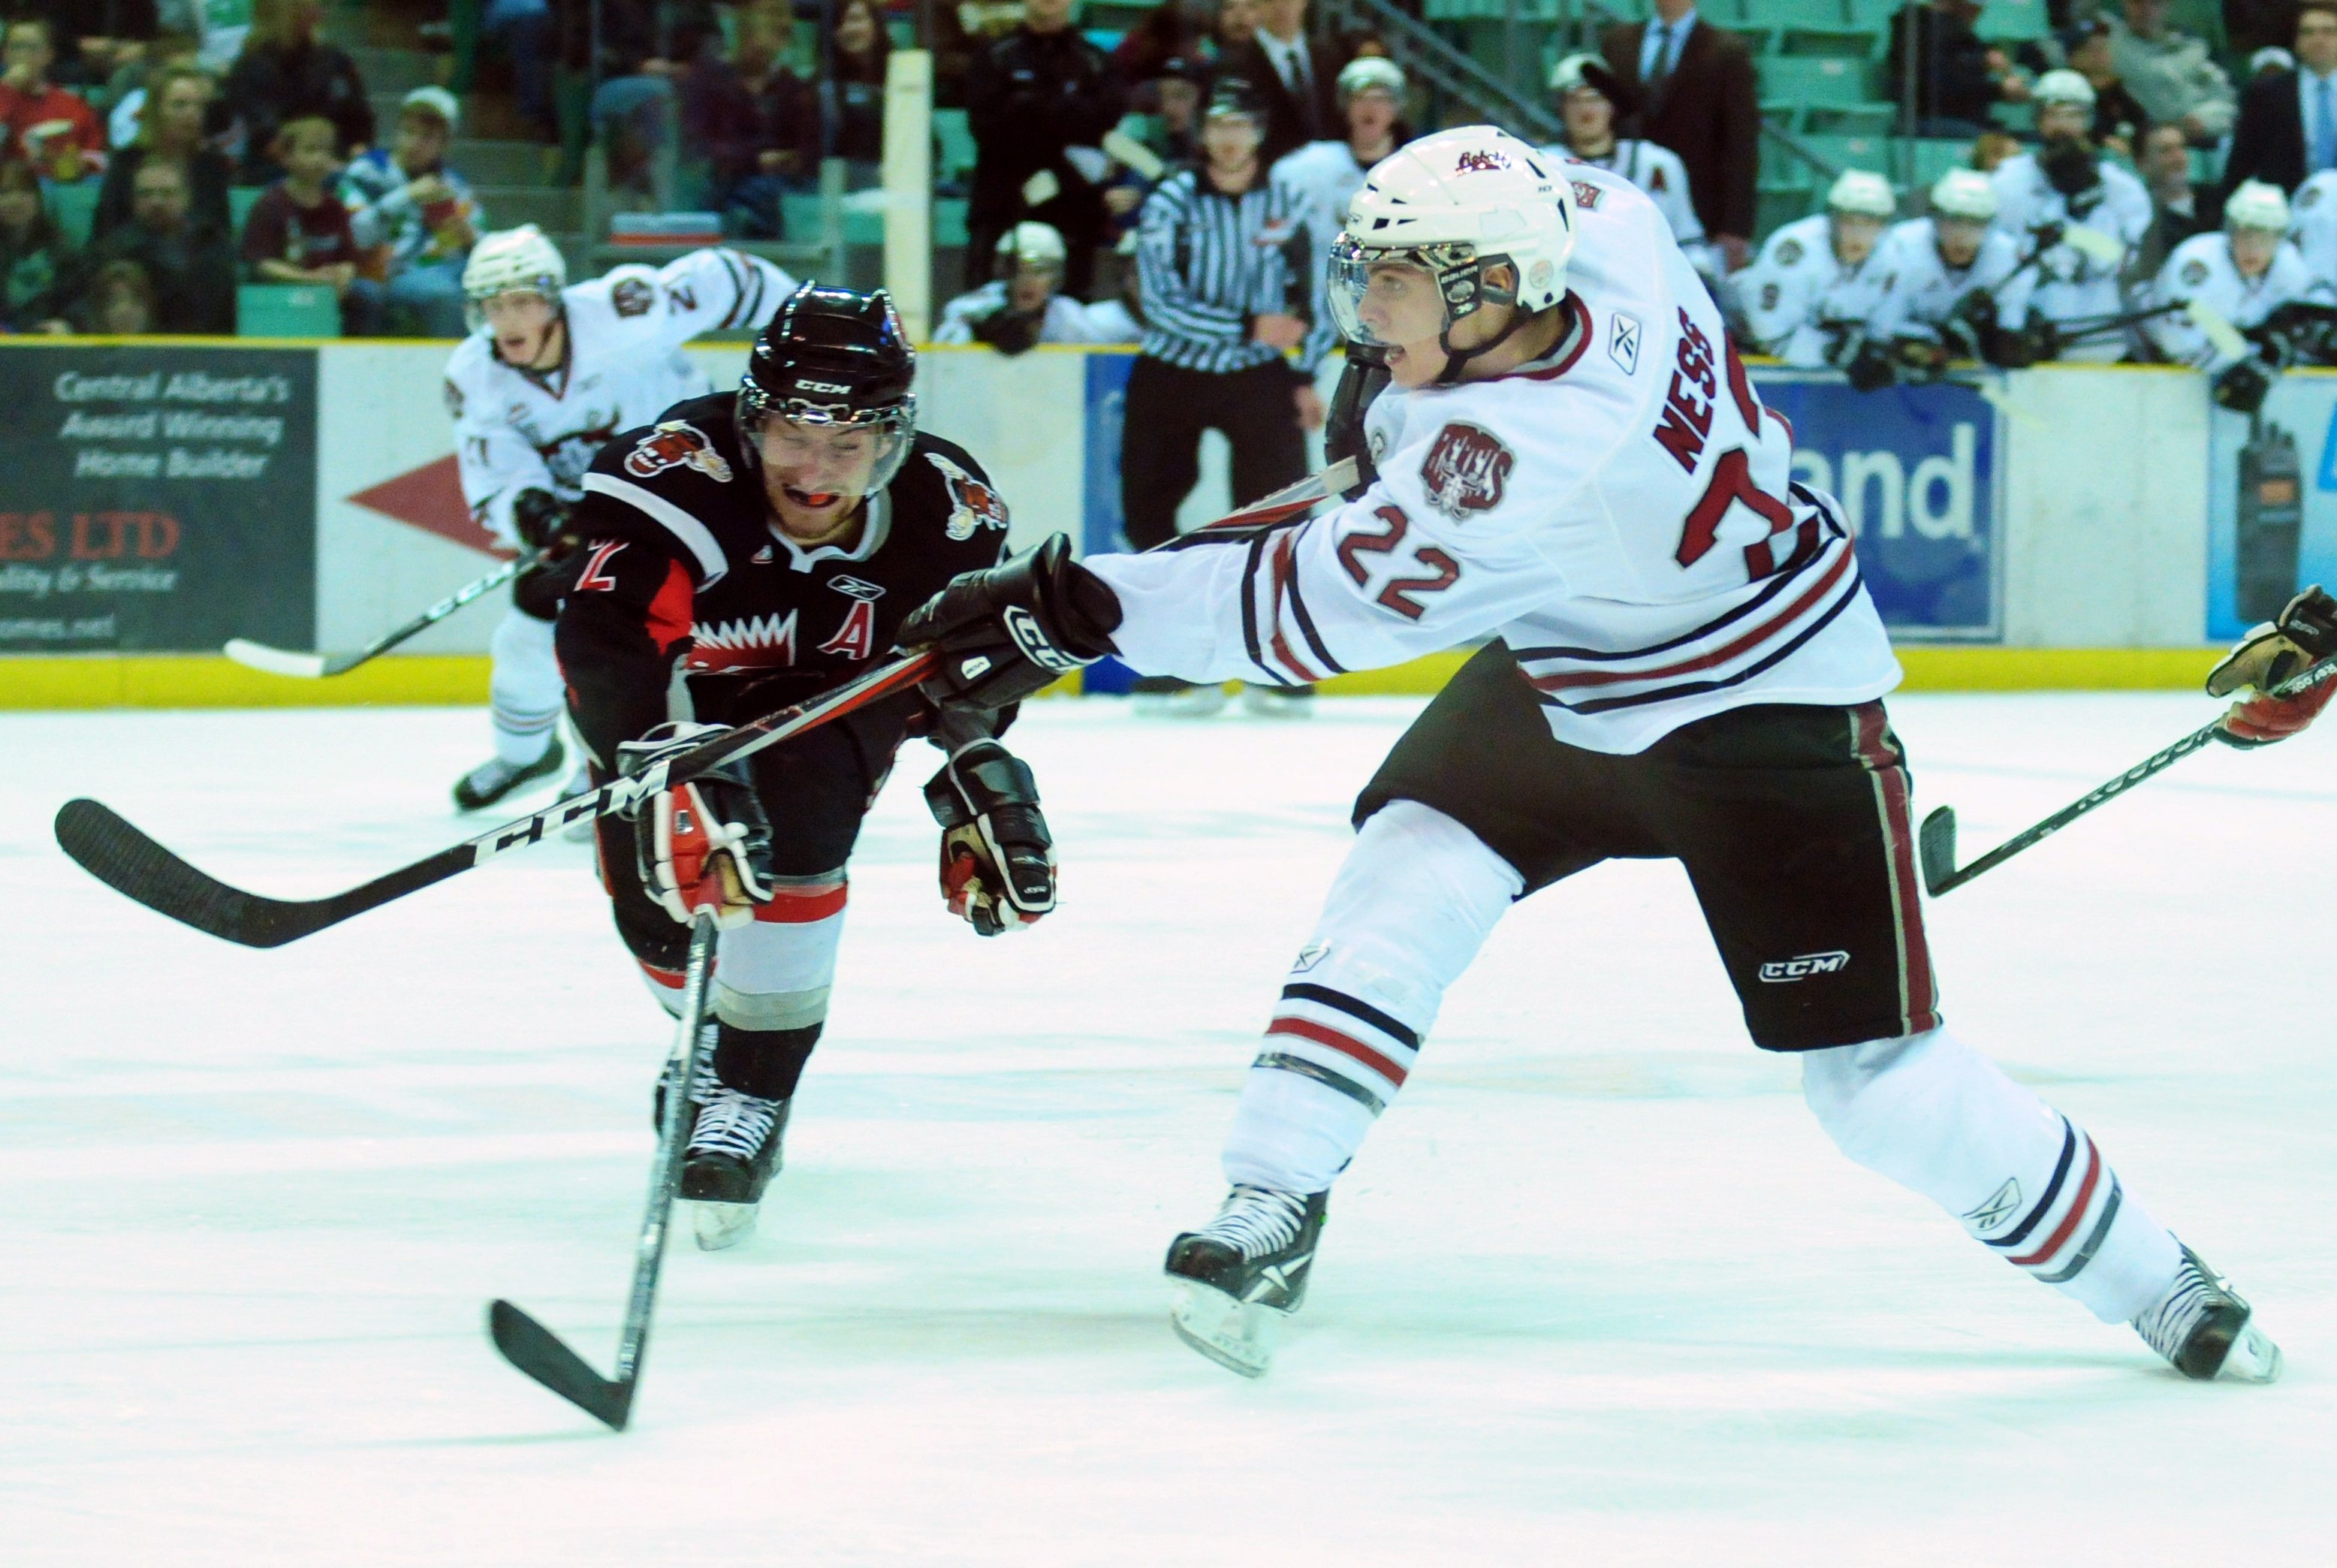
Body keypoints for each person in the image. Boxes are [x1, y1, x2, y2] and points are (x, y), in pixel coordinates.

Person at [896, 124, 2316, 1389]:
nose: (1362, 308)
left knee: (1878, 1083)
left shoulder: (1515, 456)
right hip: (1580, 662)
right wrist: (1379, 379)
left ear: (1489, 295)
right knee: (1412, 859)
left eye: (1390, 286)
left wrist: (1074, 609)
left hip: (1760, 709)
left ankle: (2158, 1278)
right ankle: (1270, 1197)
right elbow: (1511, 178)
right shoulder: (1608, 231)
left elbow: (1308, 608)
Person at [556, 284, 1052, 1248]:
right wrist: (663, 767)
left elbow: (973, 673)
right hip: (678, 715)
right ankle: (705, 1032)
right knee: (650, 895)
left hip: (834, 714)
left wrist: (976, 770)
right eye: (792, 434)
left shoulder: (945, 517)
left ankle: (751, 1090)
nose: (816, 471)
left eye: (848, 444)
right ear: (751, 420)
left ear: (892, 440)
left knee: (805, 820)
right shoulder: (678, 478)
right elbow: (605, 647)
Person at [442, 225, 798, 812]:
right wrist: (531, 513)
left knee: (665, 631)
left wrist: (804, 320)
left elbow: (724, 276)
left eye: (523, 300)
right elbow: (496, 467)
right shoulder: (472, 374)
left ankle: (611, 764)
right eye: (494, 304)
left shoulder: (621, 310)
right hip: (602, 514)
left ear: (554, 298)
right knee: (532, 621)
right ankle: (525, 755)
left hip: (699, 486)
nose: (508, 318)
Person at [1121, 77, 1330, 716]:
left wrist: (1304, 373)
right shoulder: (1172, 199)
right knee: (1149, 515)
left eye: (1241, 125)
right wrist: (1246, 325)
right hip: (1171, 372)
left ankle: (1277, 665)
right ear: (1203, 133)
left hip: (1260, 378)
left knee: (1281, 520)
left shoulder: (1291, 199)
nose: (1230, 138)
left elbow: (1320, 291)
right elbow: (1157, 302)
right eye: (1219, 125)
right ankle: (1178, 667)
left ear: (1260, 133)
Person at [1989, 69, 2152, 363]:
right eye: (2054, 114)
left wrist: (2078, 232)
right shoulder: (2006, 183)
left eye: (2074, 115)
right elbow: (1996, 256)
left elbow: (2127, 259)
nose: (2063, 126)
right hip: (2030, 321)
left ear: (2088, 121)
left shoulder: (2121, 188)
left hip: (2097, 323)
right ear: (2038, 119)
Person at [966, 0, 1124, 298]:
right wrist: (1065, 116)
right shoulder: (995, 57)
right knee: (987, 306)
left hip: (1073, 209)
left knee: (1070, 312)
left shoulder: (1096, 62)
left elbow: (1103, 124)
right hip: (1004, 205)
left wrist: (1030, 108)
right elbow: (987, 128)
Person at [1599, 0, 1757, 271]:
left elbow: (1740, 143)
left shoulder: (1728, 51)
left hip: (1699, 210)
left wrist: (1735, 227)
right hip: (1625, 198)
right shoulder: (1618, 42)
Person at [2149, 179, 2332, 399]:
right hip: (2162, 372)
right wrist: (2251, 358)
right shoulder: (2197, 263)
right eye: (2245, 232)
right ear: (2230, 229)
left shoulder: (2290, 267)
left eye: (2265, 235)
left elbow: (2312, 327)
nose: (2253, 247)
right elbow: (2177, 343)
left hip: (2241, 379)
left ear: (2280, 239)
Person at [1272, 56, 1408, 327]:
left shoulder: (1416, 172)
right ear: (1346, 107)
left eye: (1381, 98)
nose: (1370, 108)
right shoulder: (1310, 168)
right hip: (1324, 322)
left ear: (1397, 108)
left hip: (1394, 316)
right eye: (1360, 98)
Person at [1865, 167, 2039, 375]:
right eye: (1953, 220)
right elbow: (1881, 327)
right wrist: (1914, 343)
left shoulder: (2008, 257)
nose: (1962, 234)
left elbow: (2010, 329)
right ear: (1935, 217)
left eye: (1975, 223)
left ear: (1990, 225)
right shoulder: (1900, 246)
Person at [338, 86, 481, 338]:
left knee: (486, 284)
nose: (414, 143)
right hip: (388, 272)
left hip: (446, 267)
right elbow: (357, 234)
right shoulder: (368, 171)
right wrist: (407, 195)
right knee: (443, 293)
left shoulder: (454, 185)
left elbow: (481, 240)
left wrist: (470, 238)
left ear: (444, 144)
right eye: (408, 132)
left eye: (427, 137)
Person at [1542, 53, 1706, 262]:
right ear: (1560, 108)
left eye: (1595, 98)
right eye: (1575, 100)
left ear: (1612, 105)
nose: (1586, 110)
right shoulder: (1543, 166)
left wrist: (1702, 274)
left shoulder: (1658, 163)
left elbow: (1687, 239)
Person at [1735, 168, 1896, 366]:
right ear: (1833, 218)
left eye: (1870, 223)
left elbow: (1879, 331)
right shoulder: (1795, 248)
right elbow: (1770, 336)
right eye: (1849, 221)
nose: (1858, 234)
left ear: (1884, 225)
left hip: (1813, 348)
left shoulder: (1890, 254)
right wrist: (1840, 354)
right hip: (1744, 344)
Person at [240, 111, 381, 334]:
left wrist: (345, 274)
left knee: (368, 294)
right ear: (287, 157)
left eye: (326, 151)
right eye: (310, 150)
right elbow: (261, 263)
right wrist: (308, 279)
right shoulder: (270, 205)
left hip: (328, 288)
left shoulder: (335, 207)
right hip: (284, 288)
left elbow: (348, 258)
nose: (319, 159)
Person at [684, 6, 818, 240]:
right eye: (754, 42)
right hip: (725, 183)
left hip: (780, 184)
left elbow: (807, 145)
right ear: (741, 37)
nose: (761, 52)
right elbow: (702, 147)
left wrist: (791, 160)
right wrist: (755, 161)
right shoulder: (711, 82)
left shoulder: (791, 87)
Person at [222, 0, 372, 180]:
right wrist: (320, 165)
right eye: (309, 5)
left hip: (336, 162)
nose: (318, 11)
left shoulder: (334, 60)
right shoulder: (251, 66)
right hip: (277, 171)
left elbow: (359, 117)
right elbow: (266, 138)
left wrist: (358, 152)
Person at [80, 155, 234, 333]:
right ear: (133, 200)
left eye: (167, 193)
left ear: (187, 197)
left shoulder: (213, 244)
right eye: (146, 194)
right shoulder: (110, 251)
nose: (156, 202)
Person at [934, 222, 1141, 350]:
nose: (1028, 280)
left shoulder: (1067, 315)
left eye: (1041, 270)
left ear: (1056, 278)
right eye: (1019, 269)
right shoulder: (971, 312)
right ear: (1004, 273)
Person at [92, 61, 233, 241]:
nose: (192, 114)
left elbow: (220, 235)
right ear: (156, 109)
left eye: (199, 106)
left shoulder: (211, 166)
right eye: (180, 105)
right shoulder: (127, 162)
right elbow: (106, 232)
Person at [2224, 0, 2337, 196]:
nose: (2319, 40)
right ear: (2296, 41)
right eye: (2308, 32)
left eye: (2328, 31)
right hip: (2284, 203)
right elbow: (2242, 159)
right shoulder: (2267, 94)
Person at [1221, 0, 1345, 164]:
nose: (1280, 7)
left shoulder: (1330, 55)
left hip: (1328, 171)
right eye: (1270, 1)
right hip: (1266, 174)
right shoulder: (1235, 64)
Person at [1884, 0, 2033, 137]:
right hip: (1930, 118)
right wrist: (1998, 90)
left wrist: (1988, 59)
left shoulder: (1958, 31)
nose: (1977, 12)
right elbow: (1936, 87)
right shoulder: (1918, 28)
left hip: (1967, 120)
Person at [2107, 0, 2235, 146]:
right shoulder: (2109, 48)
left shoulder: (2191, 49)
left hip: (2195, 141)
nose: (2145, 9)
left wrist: (2204, 120)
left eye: (2154, 3)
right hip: (2136, 143)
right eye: (2137, 2)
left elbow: (2225, 100)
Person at [0, 17, 105, 182]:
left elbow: (97, 155)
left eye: (32, 48)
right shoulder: (2, 97)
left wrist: (81, 163)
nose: (23, 55)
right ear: (4, 55)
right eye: (16, 47)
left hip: (62, 185)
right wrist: (6, 93)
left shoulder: (71, 104)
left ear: (49, 54)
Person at [0, 155, 76, 333]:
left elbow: (78, 302)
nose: (15, 201)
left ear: (38, 198)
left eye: (24, 192)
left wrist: (67, 324)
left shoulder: (63, 252)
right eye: (5, 193)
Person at [2135, 120, 2210, 275]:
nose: (2179, 158)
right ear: (2142, 164)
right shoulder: (2139, 218)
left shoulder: (2218, 199)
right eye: (2165, 151)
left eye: (2182, 148)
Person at [822, 0, 891, 169]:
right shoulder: (824, 87)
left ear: (876, 26)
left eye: (856, 19)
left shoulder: (899, 79)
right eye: (841, 23)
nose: (848, 29)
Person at [2067, 18, 2150, 156]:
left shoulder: (2119, 92)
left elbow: (2143, 124)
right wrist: (2102, 142)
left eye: (2103, 46)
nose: (2099, 54)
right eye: (2090, 48)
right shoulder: (2068, 91)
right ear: (2073, 57)